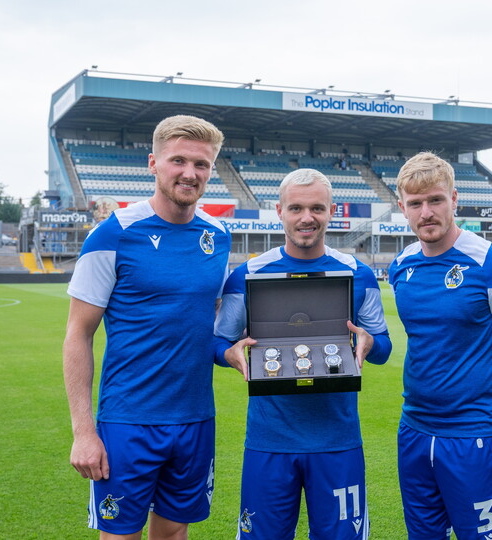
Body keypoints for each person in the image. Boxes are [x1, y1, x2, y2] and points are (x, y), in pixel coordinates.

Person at [63, 115, 229, 540]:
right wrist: (84, 432)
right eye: (178, 161)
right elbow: (78, 334)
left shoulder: (218, 235)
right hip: (128, 421)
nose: (190, 173)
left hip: (195, 419)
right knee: (120, 536)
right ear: (153, 163)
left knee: (174, 533)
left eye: (202, 164)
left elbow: (208, 322)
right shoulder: (112, 235)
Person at [214, 168, 392, 539]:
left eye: (316, 208)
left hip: (337, 441)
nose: (306, 218)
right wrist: (231, 354)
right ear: (279, 211)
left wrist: (369, 343)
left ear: (331, 212)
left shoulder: (357, 273)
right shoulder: (247, 274)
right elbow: (217, 344)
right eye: (296, 208)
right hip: (269, 441)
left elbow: (382, 347)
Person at [387, 152, 492, 540]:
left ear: (454, 200)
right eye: (415, 204)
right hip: (414, 430)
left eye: (435, 200)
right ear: (402, 207)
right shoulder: (400, 266)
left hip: (474, 436)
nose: (426, 213)